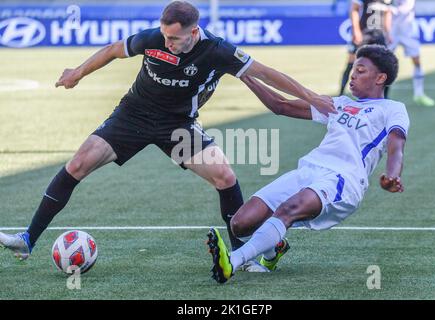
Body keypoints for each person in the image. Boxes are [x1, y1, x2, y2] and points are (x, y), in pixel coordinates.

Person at [0, 1, 335, 269]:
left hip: (177, 125)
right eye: (164, 36)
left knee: (224, 175)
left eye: (175, 38)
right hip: (132, 115)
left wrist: (311, 97)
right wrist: (77, 73)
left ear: (194, 32)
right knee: (77, 164)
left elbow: (267, 73)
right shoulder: (153, 39)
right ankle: (28, 239)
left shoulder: (218, 51)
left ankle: (241, 253)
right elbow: (113, 50)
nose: (167, 42)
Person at [207, 44, 409, 284]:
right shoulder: (340, 103)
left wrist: (392, 175)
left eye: (361, 70)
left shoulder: (392, 109)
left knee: (288, 210)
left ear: (381, 78)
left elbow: (396, 147)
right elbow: (280, 105)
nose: (353, 74)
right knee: (240, 225)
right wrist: (241, 72)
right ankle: (274, 248)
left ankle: (233, 259)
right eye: (353, 68)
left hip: (342, 180)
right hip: (308, 171)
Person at [339, 0, 392, 96]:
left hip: (378, 35)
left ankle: (385, 97)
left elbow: (387, 13)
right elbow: (354, 9)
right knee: (352, 64)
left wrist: (388, 33)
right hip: (364, 34)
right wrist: (356, 31)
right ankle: (341, 93)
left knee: (385, 66)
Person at [389, 0, 435, 107]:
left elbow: (404, 10)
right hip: (391, 31)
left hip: (407, 32)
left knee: (417, 61)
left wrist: (386, 7)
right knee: (384, 63)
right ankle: (380, 96)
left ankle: (419, 94)